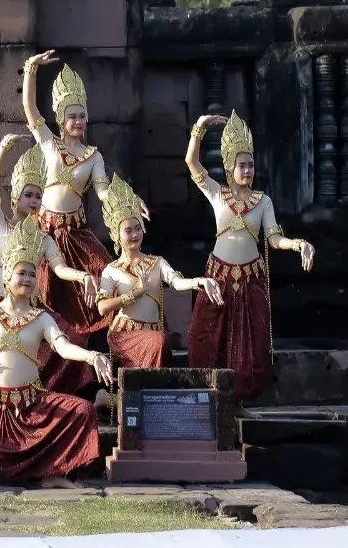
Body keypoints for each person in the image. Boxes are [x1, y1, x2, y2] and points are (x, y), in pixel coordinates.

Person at [0, 217, 113, 488]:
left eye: (32, 274)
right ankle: (37, 474)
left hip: (32, 402)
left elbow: (62, 347)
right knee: (3, 473)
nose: (27, 279)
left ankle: (52, 474)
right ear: (8, 275)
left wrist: (92, 356)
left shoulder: (40, 318)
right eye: (21, 273)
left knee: (83, 410)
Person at [184, 111, 316, 400]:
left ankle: (239, 401)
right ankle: (206, 397)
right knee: (202, 338)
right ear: (230, 167)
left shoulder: (263, 201)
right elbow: (191, 163)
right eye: (242, 165)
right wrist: (200, 127)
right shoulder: (217, 193)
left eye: (251, 165)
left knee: (250, 345)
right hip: (218, 277)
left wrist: (298, 244)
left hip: (249, 278)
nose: (248, 170)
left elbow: (273, 238)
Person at [21, 51, 147, 345]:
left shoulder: (93, 156)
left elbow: (103, 192)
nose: (77, 121)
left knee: (107, 276)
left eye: (81, 116)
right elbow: (29, 108)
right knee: (43, 293)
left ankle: (112, 346)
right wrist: (30, 69)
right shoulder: (50, 144)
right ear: (61, 119)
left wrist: (129, 199)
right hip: (43, 232)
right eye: (71, 116)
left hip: (75, 234)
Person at [0, 136, 99, 404]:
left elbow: (59, 268)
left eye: (38, 196)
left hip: (30, 309)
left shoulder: (44, 238)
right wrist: (1, 150)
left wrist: (82, 275)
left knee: (73, 340)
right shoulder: (0, 226)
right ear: (16, 196)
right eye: (28, 195)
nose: (34, 201)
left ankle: (57, 396)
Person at [95, 174, 221, 371]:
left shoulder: (157, 262)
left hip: (154, 336)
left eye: (138, 228)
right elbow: (102, 308)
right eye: (128, 230)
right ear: (116, 235)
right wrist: (136, 292)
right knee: (158, 342)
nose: (135, 234)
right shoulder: (111, 271)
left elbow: (176, 283)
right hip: (124, 335)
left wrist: (200, 282)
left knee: (158, 342)